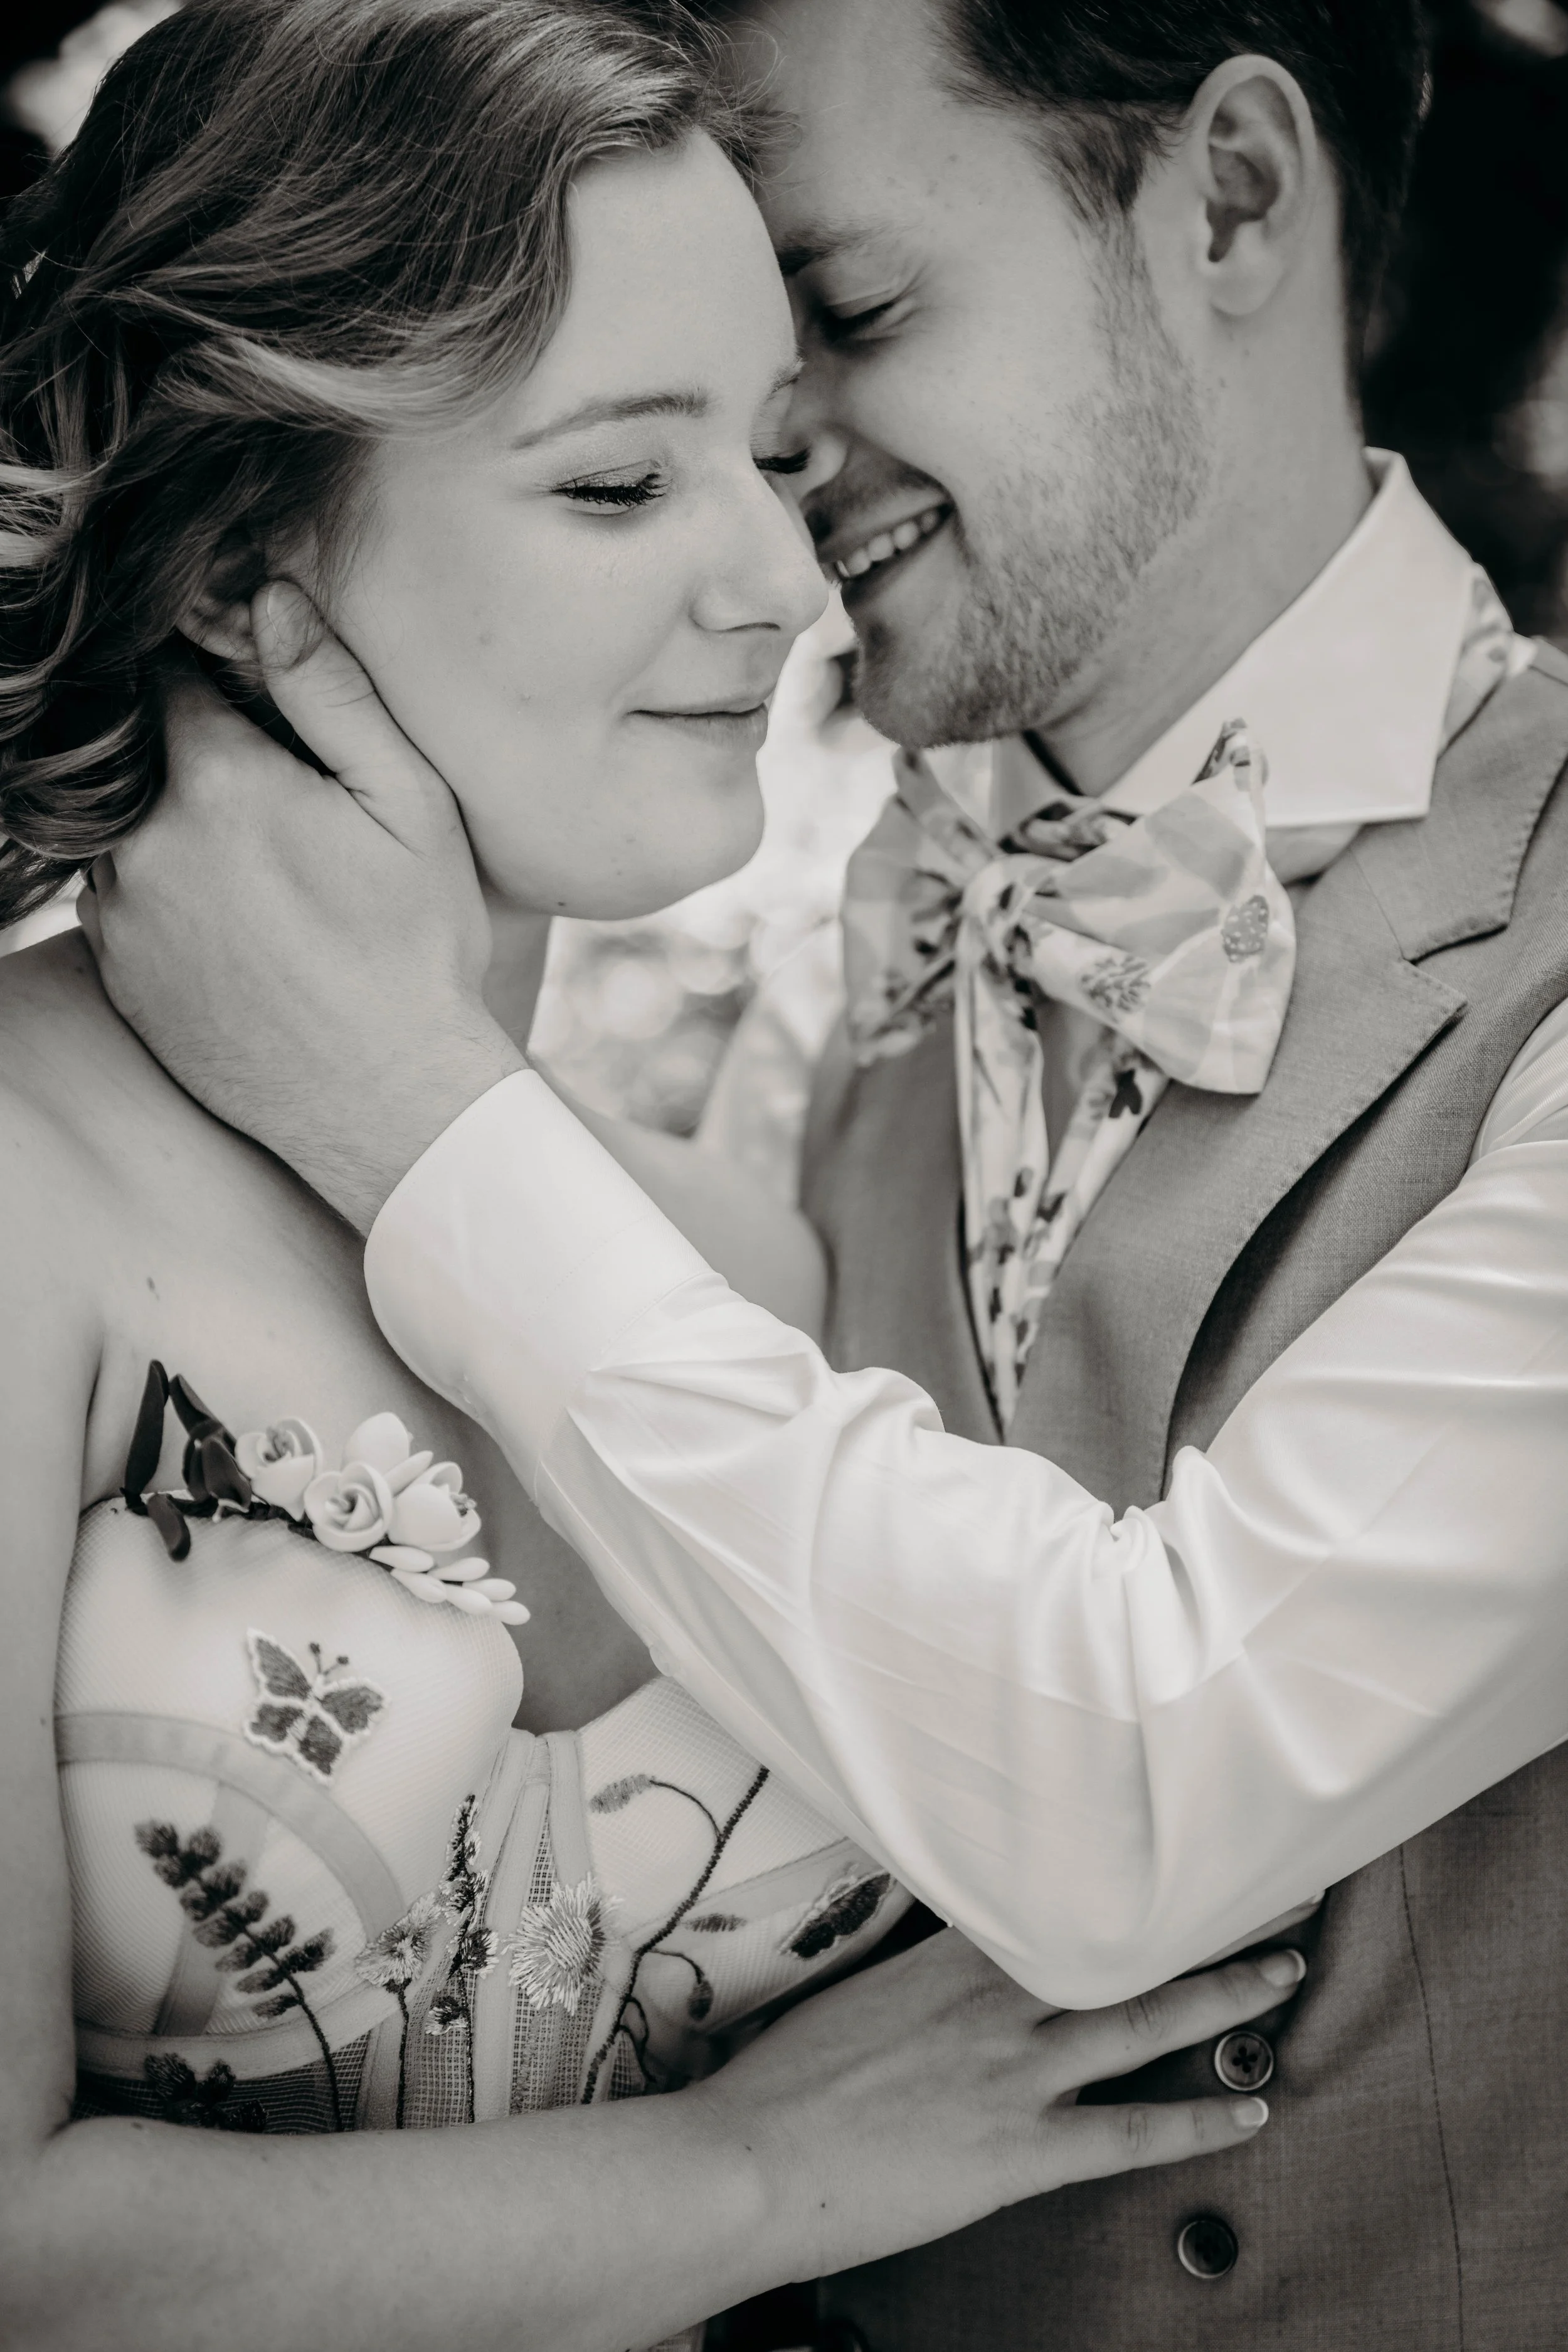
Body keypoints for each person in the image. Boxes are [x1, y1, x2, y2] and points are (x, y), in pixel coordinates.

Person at [86, 0, 1568, 2346]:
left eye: (846, 310)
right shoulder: (805, 932)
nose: (774, 466)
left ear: (1227, 198)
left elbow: (1138, 1773)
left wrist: (414, 1102)